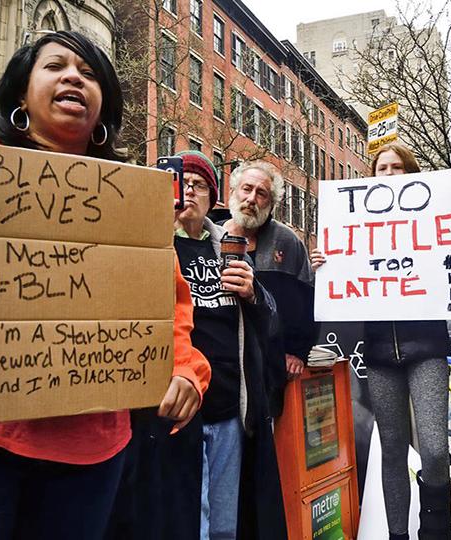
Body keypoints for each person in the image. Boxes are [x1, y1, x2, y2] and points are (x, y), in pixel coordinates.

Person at [0, 31, 210, 539]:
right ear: (21, 93)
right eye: (55, 65)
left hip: (90, 453)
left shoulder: (133, 201)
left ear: (103, 105)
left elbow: (166, 311)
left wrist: (187, 372)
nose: (73, 77)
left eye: (89, 72)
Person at [311, 142, 451, 540]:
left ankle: (436, 531)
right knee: (393, 453)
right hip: (380, 354)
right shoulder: (362, 226)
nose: (389, 173)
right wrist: (325, 268)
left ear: (411, 174)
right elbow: (341, 287)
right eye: (382, 167)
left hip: (427, 350)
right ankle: (398, 534)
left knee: (434, 450)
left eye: (397, 167)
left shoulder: (431, 217)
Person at [171, 151, 286, 540]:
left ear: (212, 198)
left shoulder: (229, 246)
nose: (189, 190)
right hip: (176, 411)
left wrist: (253, 293)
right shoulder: (152, 244)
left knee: (223, 524)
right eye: (182, 181)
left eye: (199, 184)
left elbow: (269, 317)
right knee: (188, 520)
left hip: (228, 410)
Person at [221, 161, 317, 417]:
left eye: (261, 193)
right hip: (221, 365)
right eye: (246, 189)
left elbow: (307, 301)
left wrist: (297, 352)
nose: (251, 198)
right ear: (232, 192)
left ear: (271, 203)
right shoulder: (211, 235)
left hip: (269, 367)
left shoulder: (287, 242)